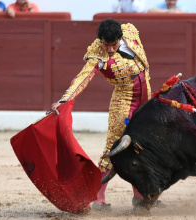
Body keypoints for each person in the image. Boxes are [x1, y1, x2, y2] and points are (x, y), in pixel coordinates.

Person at [48, 19, 152, 212]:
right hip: (123, 101)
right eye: (106, 44)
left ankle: (140, 196)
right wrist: (65, 100)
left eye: (114, 45)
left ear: (120, 38)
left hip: (146, 100)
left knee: (141, 148)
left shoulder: (129, 31)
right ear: (100, 40)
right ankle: (98, 197)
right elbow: (83, 78)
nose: (110, 49)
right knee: (114, 147)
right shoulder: (97, 53)